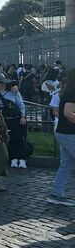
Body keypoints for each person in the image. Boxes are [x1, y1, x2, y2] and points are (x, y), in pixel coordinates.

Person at [48, 71, 75, 206]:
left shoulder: (69, 91)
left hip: (65, 132)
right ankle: (56, 193)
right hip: (69, 133)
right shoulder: (72, 92)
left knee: (66, 164)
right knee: (66, 164)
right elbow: (69, 113)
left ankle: (56, 193)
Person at [0, 82, 28, 168]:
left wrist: (23, 116)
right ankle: (12, 158)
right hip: (3, 119)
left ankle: (21, 158)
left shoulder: (13, 92)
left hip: (15, 118)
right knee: (8, 139)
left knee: (19, 138)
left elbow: (20, 104)